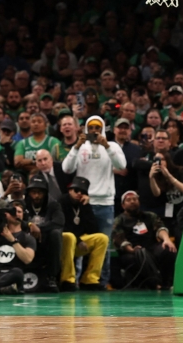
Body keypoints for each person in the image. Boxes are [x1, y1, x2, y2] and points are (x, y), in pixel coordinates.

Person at [61, 115, 126, 287]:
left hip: (105, 202)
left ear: (103, 129)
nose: (95, 131)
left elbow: (121, 165)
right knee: (80, 243)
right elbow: (66, 168)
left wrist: (106, 146)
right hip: (82, 202)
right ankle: (75, 280)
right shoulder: (81, 147)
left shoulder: (112, 146)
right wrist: (75, 146)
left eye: (98, 128)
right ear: (86, 129)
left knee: (103, 246)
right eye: (92, 128)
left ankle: (101, 281)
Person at [111, 191, 177, 289]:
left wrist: (166, 239)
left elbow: (160, 229)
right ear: (123, 205)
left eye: (135, 199)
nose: (132, 201)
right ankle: (154, 283)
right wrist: (131, 249)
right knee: (136, 257)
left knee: (168, 250)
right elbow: (119, 239)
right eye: (129, 200)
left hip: (151, 247)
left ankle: (166, 282)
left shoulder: (150, 215)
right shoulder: (119, 220)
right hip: (131, 250)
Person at [59, 176, 108, 291]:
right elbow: (61, 226)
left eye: (83, 192)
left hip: (78, 243)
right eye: (76, 190)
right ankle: (67, 280)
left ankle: (89, 279)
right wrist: (79, 240)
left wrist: (86, 206)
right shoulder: (61, 202)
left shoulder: (83, 205)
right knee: (70, 237)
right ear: (70, 190)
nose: (79, 194)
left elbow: (93, 229)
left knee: (102, 238)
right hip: (62, 242)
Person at [23, 173, 62, 292]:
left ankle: (52, 277)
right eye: (33, 192)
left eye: (39, 192)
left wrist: (40, 228)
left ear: (45, 193)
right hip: (26, 239)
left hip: (46, 240)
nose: (36, 196)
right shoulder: (23, 204)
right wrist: (30, 225)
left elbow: (59, 222)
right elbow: (15, 220)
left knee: (56, 234)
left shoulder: (53, 204)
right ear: (29, 192)